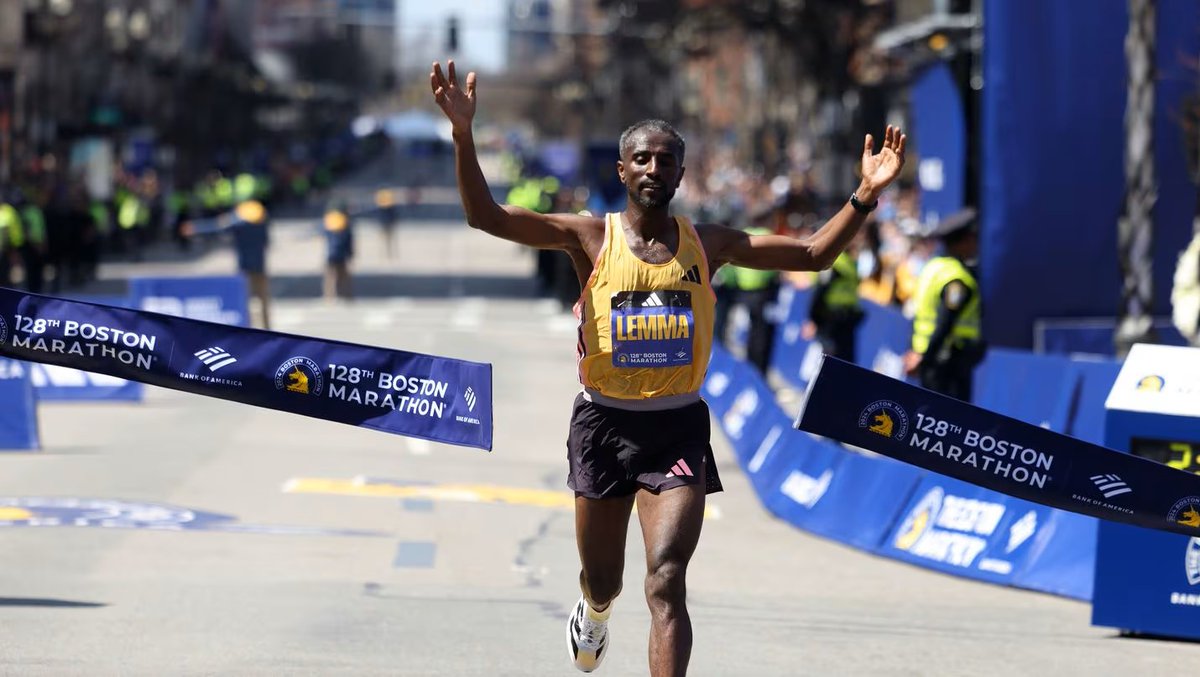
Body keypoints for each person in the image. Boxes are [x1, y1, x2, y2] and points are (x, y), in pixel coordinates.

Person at [430, 60, 905, 676]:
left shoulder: (708, 243)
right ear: (623, 170)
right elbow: (486, 216)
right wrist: (464, 137)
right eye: (643, 160)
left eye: (666, 160)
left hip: (677, 428)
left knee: (667, 580)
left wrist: (865, 195)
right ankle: (595, 611)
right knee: (604, 579)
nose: (655, 169)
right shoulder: (588, 239)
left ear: (681, 172)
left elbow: (813, 254)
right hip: (602, 426)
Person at [903, 208, 985, 402]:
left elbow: (918, 315)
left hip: (927, 356)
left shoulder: (932, 267)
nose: (975, 244)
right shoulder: (956, 278)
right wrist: (926, 358)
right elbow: (945, 323)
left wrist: (914, 352)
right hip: (947, 362)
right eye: (971, 239)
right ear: (962, 241)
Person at [181, 194, 272, 329]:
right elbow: (266, 242)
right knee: (263, 302)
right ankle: (267, 330)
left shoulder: (240, 222)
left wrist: (195, 227)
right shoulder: (262, 221)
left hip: (245, 268)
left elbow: (217, 227)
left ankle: (248, 330)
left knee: (244, 302)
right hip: (260, 267)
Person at [802, 232, 864, 362]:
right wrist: (813, 319)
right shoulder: (834, 261)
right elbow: (820, 290)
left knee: (846, 363)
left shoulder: (849, 261)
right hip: (830, 320)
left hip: (845, 321)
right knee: (829, 361)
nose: (857, 241)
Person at [322, 199, 355, 302]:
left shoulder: (328, 221)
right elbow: (349, 240)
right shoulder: (345, 222)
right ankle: (346, 295)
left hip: (330, 254)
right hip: (342, 254)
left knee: (330, 276)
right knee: (344, 276)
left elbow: (324, 234)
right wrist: (350, 253)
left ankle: (329, 296)